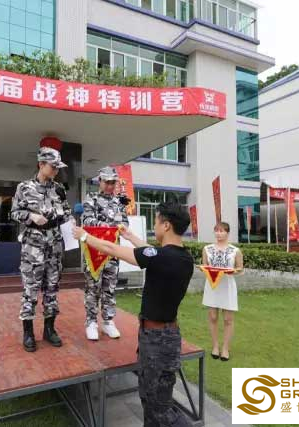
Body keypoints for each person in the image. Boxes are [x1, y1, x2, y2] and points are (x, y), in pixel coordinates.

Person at [73, 202, 194, 427]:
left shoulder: (161, 257)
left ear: (166, 225)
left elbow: (111, 249)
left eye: (156, 221)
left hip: (157, 341)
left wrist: (85, 236)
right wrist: (130, 236)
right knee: (152, 400)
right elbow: (153, 253)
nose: (154, 226)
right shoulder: (183, 258)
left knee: (159, 409)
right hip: (166, 337)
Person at [11, 146, 71, 352]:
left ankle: (49, 329)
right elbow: (14, 212)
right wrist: (31, 216)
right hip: (33, 247)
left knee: (52, 288)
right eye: (53, 166)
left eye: (58, 167)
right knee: (30, 290)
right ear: (41, 164)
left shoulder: (59, 189)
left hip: (54, 245)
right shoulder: (24, 187)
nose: (56, 170)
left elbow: (66, 214)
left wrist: (69, 221)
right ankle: (28, 332)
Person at [81, 166, 129, 340]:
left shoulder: (119, 203)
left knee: (110, 288)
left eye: (112, 182)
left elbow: (125, 224)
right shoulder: (91, 200)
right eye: (107, 182)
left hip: (113, 253)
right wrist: (110, 226)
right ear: (99, 181)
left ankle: (108, 321)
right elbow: (87, 221)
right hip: (94, 252)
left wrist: (118, 227)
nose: (110, 185)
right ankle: (91, 322)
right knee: (93, 288)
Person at [201, 222, 244, 362]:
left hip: (227, 286)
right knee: (213, 317)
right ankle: (215, 346)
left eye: (222, 231)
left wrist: (233, 271)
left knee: (228, 319)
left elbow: (240, 268)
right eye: (216, 231)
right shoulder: (207, 249)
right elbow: (205, 266)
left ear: (227, 233)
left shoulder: (235, 251)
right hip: (212, 285)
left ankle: (225, 348)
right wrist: (203, 268)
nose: (219, 233)